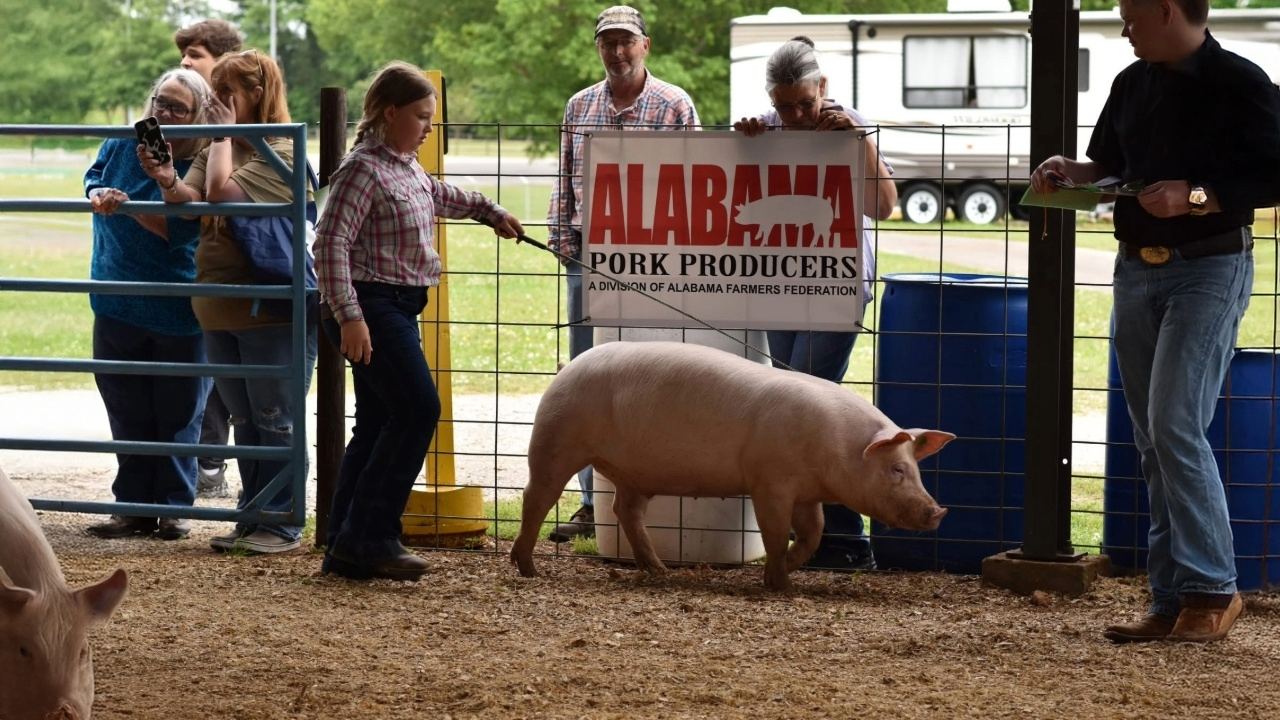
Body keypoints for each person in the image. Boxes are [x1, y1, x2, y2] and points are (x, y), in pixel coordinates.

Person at [1031, 0, 1280, 643]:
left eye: (1131, 18)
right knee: (1152, 440)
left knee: (1173, 424)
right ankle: (1170, 600)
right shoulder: (1130, 82)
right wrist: (1073, 173)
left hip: (1210, 267)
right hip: (1135, 270)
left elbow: (1275, 172)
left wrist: (1196, 196)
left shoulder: (1243, 83)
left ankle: (1212, 590)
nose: (1123, 30)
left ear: (1167, 10)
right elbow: (1112, 168)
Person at [313, 61, 523, 581]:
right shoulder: (361, 168)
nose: (430, 126)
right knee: (417, 410)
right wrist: (350, 317)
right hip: (372, 305)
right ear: (390, 112)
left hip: (394, 306)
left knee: (382, 421)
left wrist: (491, 212)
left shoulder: (405, 166)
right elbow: (329, 243)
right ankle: (372, 537)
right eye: (422, 116)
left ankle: (345, 542)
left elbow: (444, 196)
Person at [143, 48, 318, 555]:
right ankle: (254, 514)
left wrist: (218, 136)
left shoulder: (280, 150)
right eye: (214, 94)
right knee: (245, 420)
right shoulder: (220, 147)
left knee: (275, 417)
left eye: (226, 95)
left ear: (256, 95)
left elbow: (219, 192)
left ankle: (281, 520)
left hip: (269, 310)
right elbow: (193, 199)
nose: (217, 105)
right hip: (218, 306)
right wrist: (165, 178)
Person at [732, 36, 897, 573]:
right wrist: (747, 137)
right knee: (797, 403)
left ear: (822, 88)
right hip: (781, 285)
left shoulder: (848, 123)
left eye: (805, 102)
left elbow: (885, 205)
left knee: (804, 400)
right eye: (785, 106)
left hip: (837, 284)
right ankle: (831, 538)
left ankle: (843, 538)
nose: (797, 115)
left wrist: (860, 143)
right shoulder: (769, 124)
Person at [544, 4, 700, 543]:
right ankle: (592, 501)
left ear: (645, 45)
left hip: (657, 255)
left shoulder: (674, 104)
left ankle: (656, 493)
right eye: (608, 42)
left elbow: (696, 180)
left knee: (650, 371)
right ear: (598, 48)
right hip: (590, 253)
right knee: (586, 374)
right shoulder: (579, 105)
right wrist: (565, 244)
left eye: (626, 41)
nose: (618, 51)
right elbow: (564, 178)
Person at [84, 69, 216, 541]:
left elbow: (181, 231)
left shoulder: (200, 160)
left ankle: (174, 508)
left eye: (178, 108)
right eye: (160, 102)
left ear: (197, 115)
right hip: (115, 296)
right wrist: (99, 193)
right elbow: (94, 175)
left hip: (176, 306)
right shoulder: (123, 143)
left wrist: (129, 205)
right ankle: (134, 507)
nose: (163, 114)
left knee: (179, 411)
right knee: (126, 407)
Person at [174, 17, 243, 499]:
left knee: (226, 375)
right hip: (194, 269)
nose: (184, 61)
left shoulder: (232, 133)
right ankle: (202, 461)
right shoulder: (186, 120)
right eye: (184, 54)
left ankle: (211, 462)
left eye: (196, 55)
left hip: (226, 268)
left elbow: (216, 192)